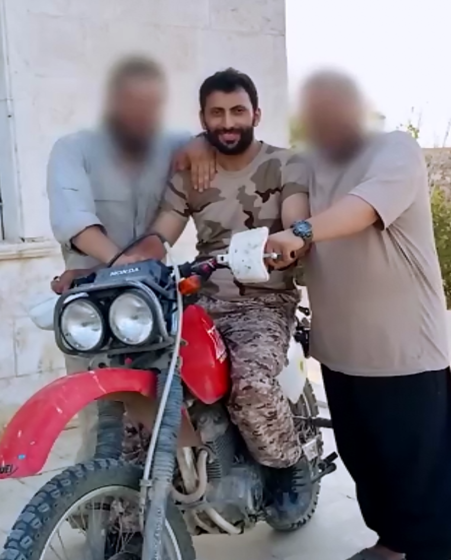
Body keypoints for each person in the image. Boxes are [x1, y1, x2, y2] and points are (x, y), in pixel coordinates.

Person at [265, 71, 451, 560]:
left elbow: (361, 209)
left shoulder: (395, 150)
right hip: (340, 347)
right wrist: (293, 234)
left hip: (402, 350)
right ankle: (390, 546)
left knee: (419, 471)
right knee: (367, 461)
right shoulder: (308, 161)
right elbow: (293, 200)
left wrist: (303, 231)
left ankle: (423, 553)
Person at [142, 68, 316, 525]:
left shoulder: (287, 163)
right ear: (203, 118)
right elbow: (162, 231)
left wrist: (289, 243)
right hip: (202, 300)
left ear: (256, 113)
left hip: (264, 301)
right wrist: (129, 264)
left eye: (238, 110)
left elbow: (297, 217)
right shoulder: (191, 173)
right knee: (146, 383)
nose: (228, 122)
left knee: (251, 387)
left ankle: (290, 467)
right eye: (216, 113)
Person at [47, 55, 213, 462]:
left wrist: (201, 146)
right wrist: (123, 267)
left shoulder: (174, 145)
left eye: (151, 103)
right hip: (94, 307)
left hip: (154, 302)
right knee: (102, 416)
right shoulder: (73, 150)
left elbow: (215, 144)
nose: (141, 113)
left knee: (169, 399)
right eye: (131, 102)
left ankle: (170, 499)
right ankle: (97, 514)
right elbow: (76, 221)